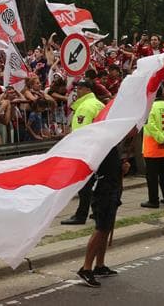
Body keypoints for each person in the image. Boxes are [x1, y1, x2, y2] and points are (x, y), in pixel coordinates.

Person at [76, 140, 130, 287]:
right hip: (103, 190)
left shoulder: (113, 145)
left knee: (106, 228)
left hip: (112, 188)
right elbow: (102, 168)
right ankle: (86, 268)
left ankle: (99, 265)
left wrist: (122, 169)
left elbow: (113, 168)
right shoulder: (102, 144)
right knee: (101, 228)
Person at [62, 80, 106, 225]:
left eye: (79, 88)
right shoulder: (98, 104)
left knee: (85, 185)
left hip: (87, 151)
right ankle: (97, 210)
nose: (77, 92)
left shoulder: (85, 107)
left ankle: (81, 215)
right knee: (97, 183)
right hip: (100, 148)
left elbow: (82, 132)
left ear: (86, 89)